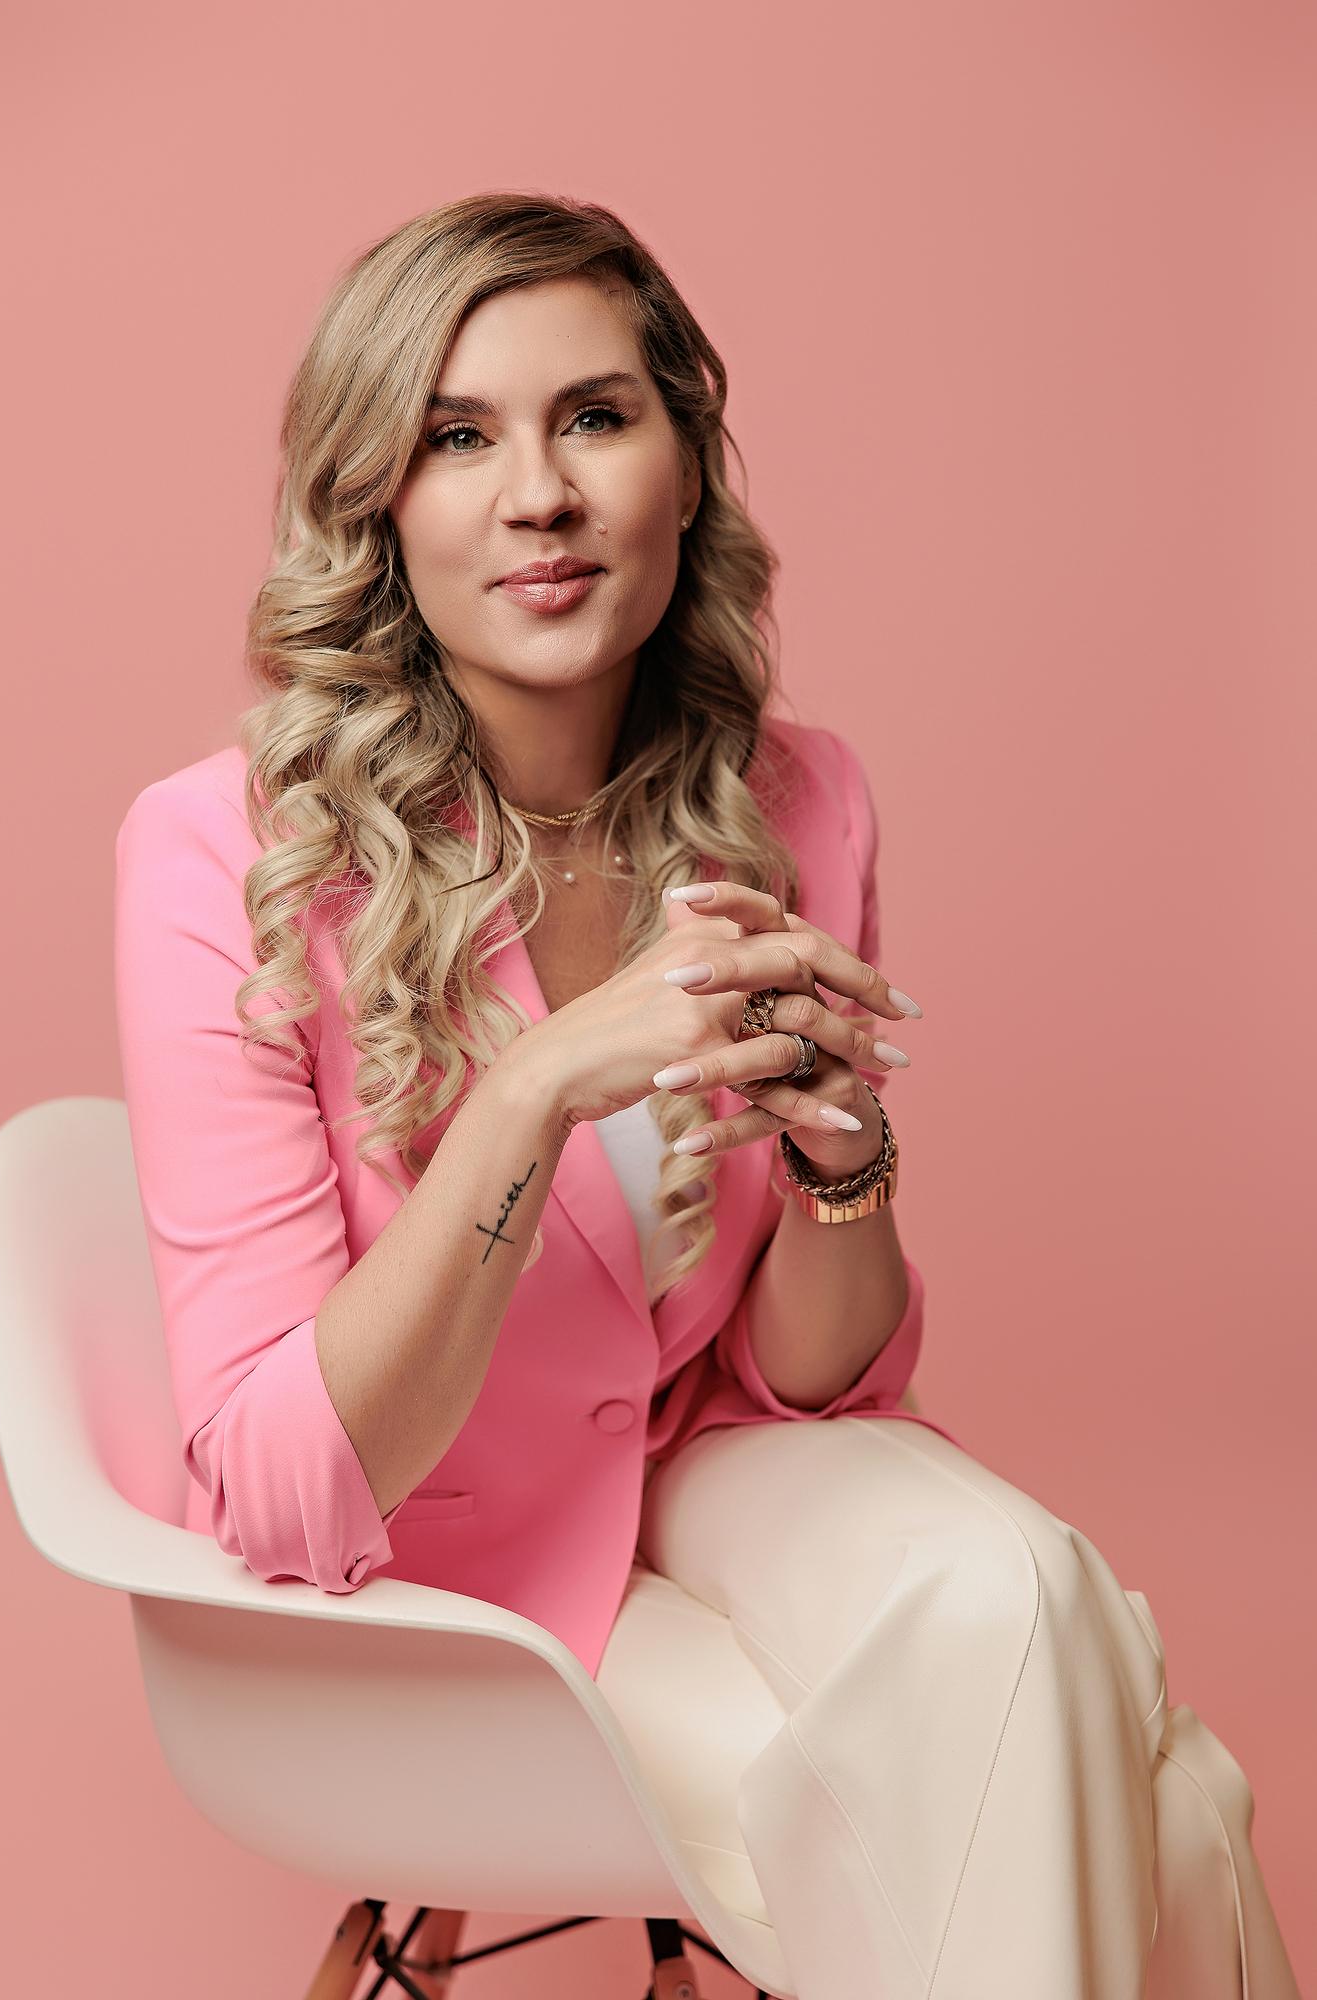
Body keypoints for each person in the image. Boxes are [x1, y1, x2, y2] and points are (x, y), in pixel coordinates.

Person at [112, 192, 1300, 1999]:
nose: (540, 495)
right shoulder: (226, 853)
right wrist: (531, 1089)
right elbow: (284, 1492)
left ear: (682, 465)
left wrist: (841, 1157)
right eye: (457, 437)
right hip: (434, 1581)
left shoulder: (796, 801)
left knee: (1020, 1591)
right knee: (1158, 1797)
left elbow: (810, 1382)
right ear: (375, 502)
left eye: (594, 417)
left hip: (712, 1469)